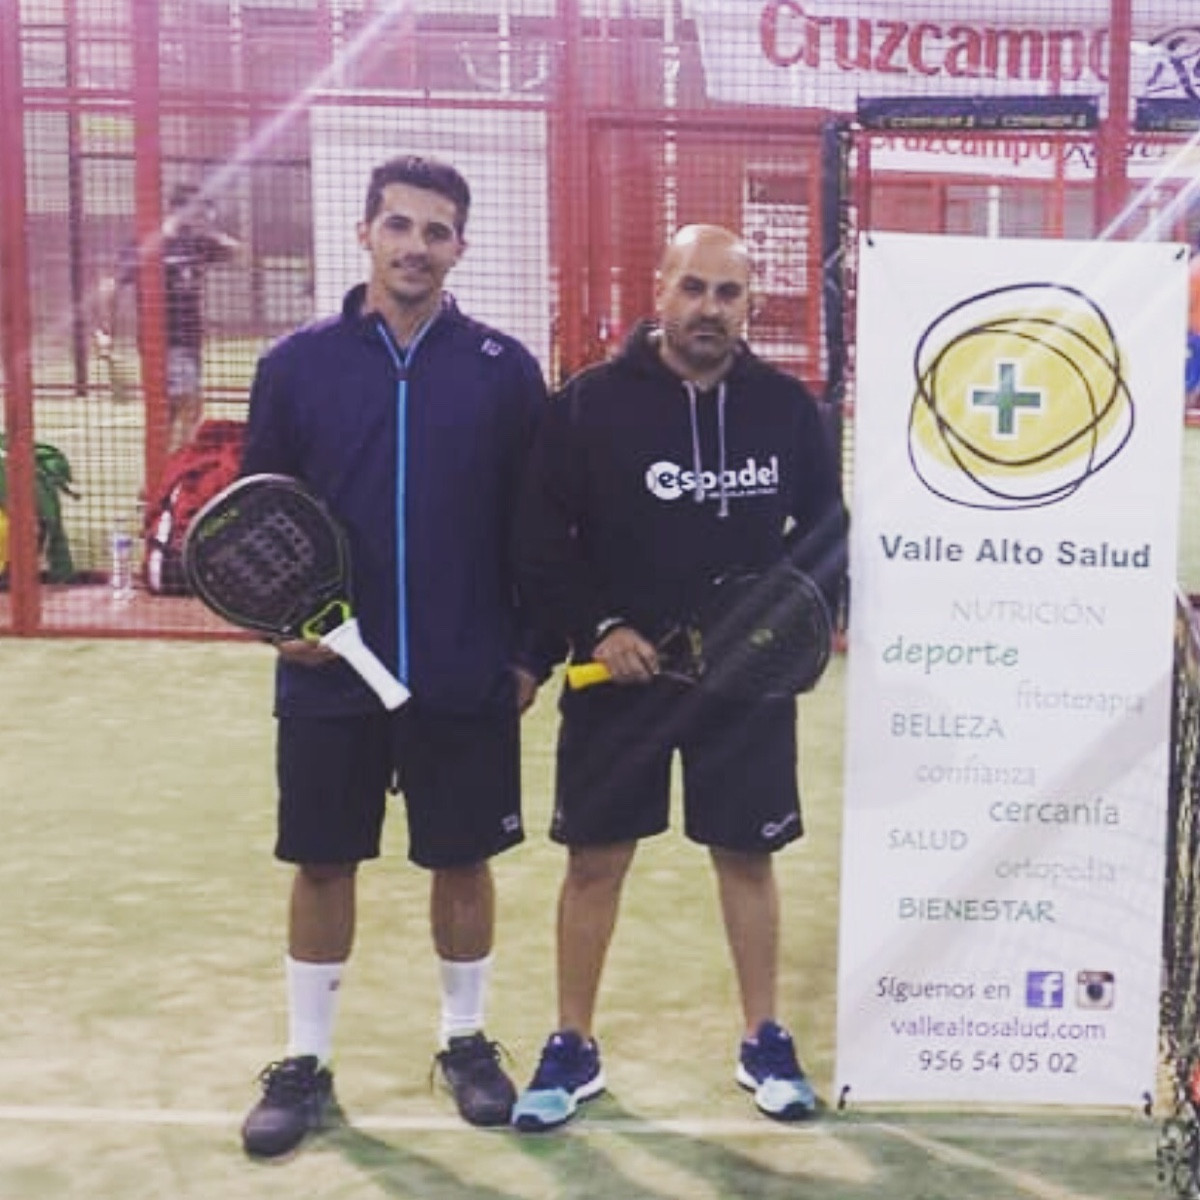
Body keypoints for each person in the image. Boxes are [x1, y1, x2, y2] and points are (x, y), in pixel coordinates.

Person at [235, 154, 554, 1158]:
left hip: (462, 667)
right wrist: (278, 626)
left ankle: (465, 1042)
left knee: (462, 859)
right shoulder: (296, 365)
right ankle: (305, 1060)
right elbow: (256, 518)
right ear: (366, 233)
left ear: (460, 247)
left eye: (437, 230)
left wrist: (529, 654)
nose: (417, 246)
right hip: (329, 673)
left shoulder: (505, 370)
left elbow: (536, 525)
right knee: (322, 861)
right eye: (400, 225)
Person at [512, 224, 847, 1132]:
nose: (709, 308)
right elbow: (541, 539)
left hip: (745, 683)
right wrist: (601, 627)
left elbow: (826, 529)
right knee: (595, 862)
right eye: (693, 287)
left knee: (747, 856)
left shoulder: (786, 408)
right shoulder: (588, 405)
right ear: (659, 291)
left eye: (728, 293)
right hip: (619, 681)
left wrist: (783, 631)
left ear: (751, 303)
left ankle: (764, 1037)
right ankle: (572, 1042)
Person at [94, 182, 243, 452]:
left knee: (173, 408)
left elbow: (238, 251)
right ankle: (174, 463)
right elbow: (111, 284)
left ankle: (163, 465)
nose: (202, 215)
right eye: (198, 209)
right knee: (188, 403)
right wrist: (107, 329)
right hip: (162, 339)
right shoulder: (148, 243)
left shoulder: (197, 242)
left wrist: (209, 230)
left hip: (189, 338)